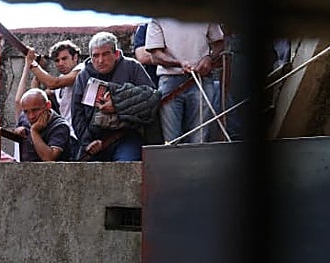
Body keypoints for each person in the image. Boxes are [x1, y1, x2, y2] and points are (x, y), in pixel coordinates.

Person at [70, 31, 157, 162]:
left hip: (127, 137)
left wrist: (117, 104)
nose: (100, 60)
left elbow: (151, 97)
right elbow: (77, 114)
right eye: (96, 56)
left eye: (105, 54)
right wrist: (87, 142)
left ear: (116, 54)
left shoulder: (132, 67)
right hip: (95, 141)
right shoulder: (83, 76)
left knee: (126, 167)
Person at [144, 18, 226, 144]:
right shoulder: (158, 18)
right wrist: (179, 63)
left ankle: (198, 163)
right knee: (172, 140)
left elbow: (220, 43)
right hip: (170, 79)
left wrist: (209, 58)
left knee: (200, 137)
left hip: (201, 78)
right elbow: (155, 55)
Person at [16, 40, 84, 125]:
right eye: (57, 60)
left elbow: (53, 83)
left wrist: (32, 63)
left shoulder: (82, 70)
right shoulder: (61, 79)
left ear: (75, 57)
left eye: (64, 58)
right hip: (68, 130)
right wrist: (39, 68)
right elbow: (37, 95)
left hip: (79, 132)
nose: (60, 63)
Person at [8, 89, 72, 162]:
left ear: (48, 105)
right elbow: (17, 130)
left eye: (35, 110)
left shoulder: (60, 126)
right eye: (26, 111)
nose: (31, 116)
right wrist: (17, 131)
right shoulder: (24, 117)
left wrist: (34, 131)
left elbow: (49, 159)